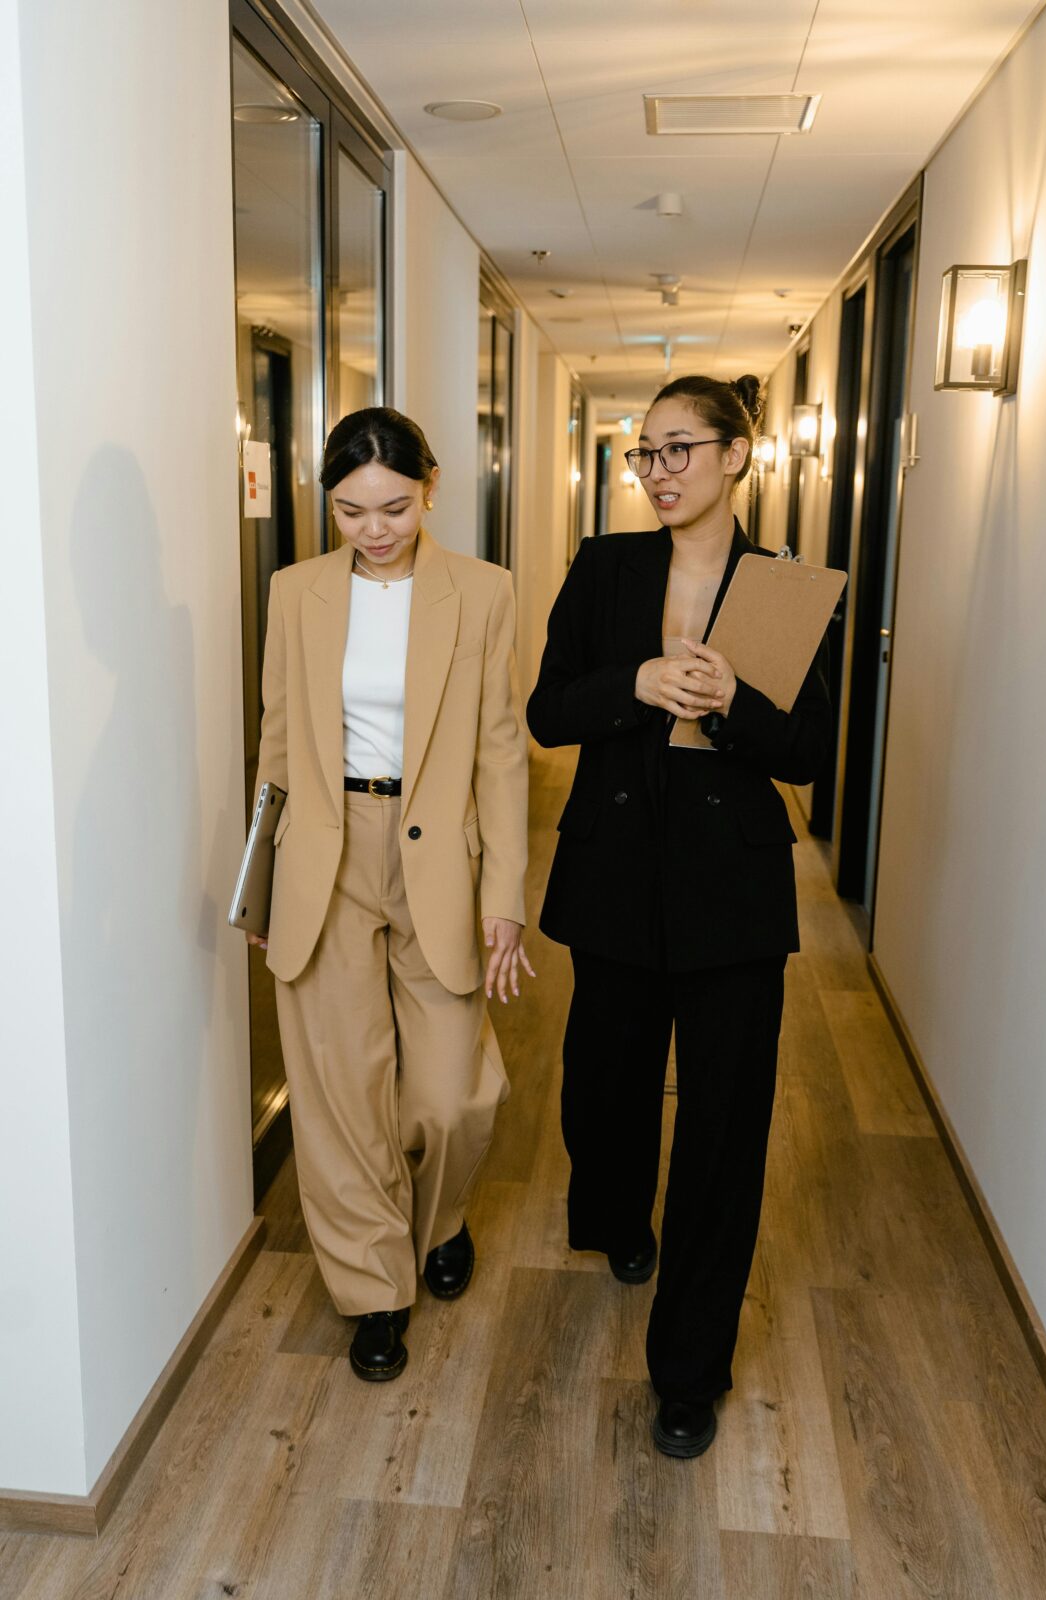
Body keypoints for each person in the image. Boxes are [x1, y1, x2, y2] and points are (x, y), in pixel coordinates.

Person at [526, 375, 831, 1458]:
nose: (657, 472)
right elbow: (546, 708)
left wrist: (730, 704)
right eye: (642, 454)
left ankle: (688, 1368)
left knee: (721, 1130)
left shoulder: (790, 590)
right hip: (612, 872)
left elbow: (808, 752)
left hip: (730, 896)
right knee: (600, 1095)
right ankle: (617, 1218)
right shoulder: (605, 567)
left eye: (678, 450)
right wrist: (640, 682)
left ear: (737, 456)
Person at [248, 406, 533, 1382]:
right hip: (324, 857)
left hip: (438, 854)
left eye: (394, 507)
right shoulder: (295, 593)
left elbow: (501, 752)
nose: (373, 529)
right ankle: (374, 1287)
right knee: (339, 1089)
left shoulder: (481, 592)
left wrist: (504, 894)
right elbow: (276, 748)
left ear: (430, 488)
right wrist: (260, 886)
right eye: (349, 510)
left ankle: (440, 1216)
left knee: (450, 1094)